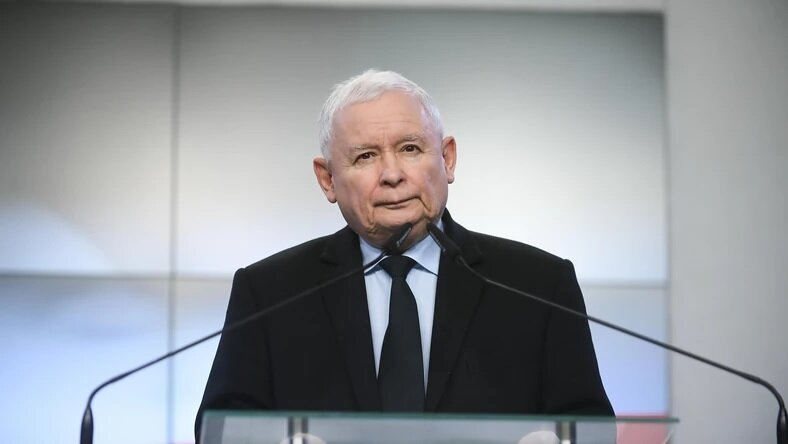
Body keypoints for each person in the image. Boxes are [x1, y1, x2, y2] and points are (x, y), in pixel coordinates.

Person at [196, 69, 613, 438]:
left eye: (410, 148)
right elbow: (224, 426)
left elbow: (587, 423)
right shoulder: (271, 292)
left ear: (447, 159)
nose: (393, 174)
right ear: (327, 180)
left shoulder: (537, 284)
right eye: (365, 156)